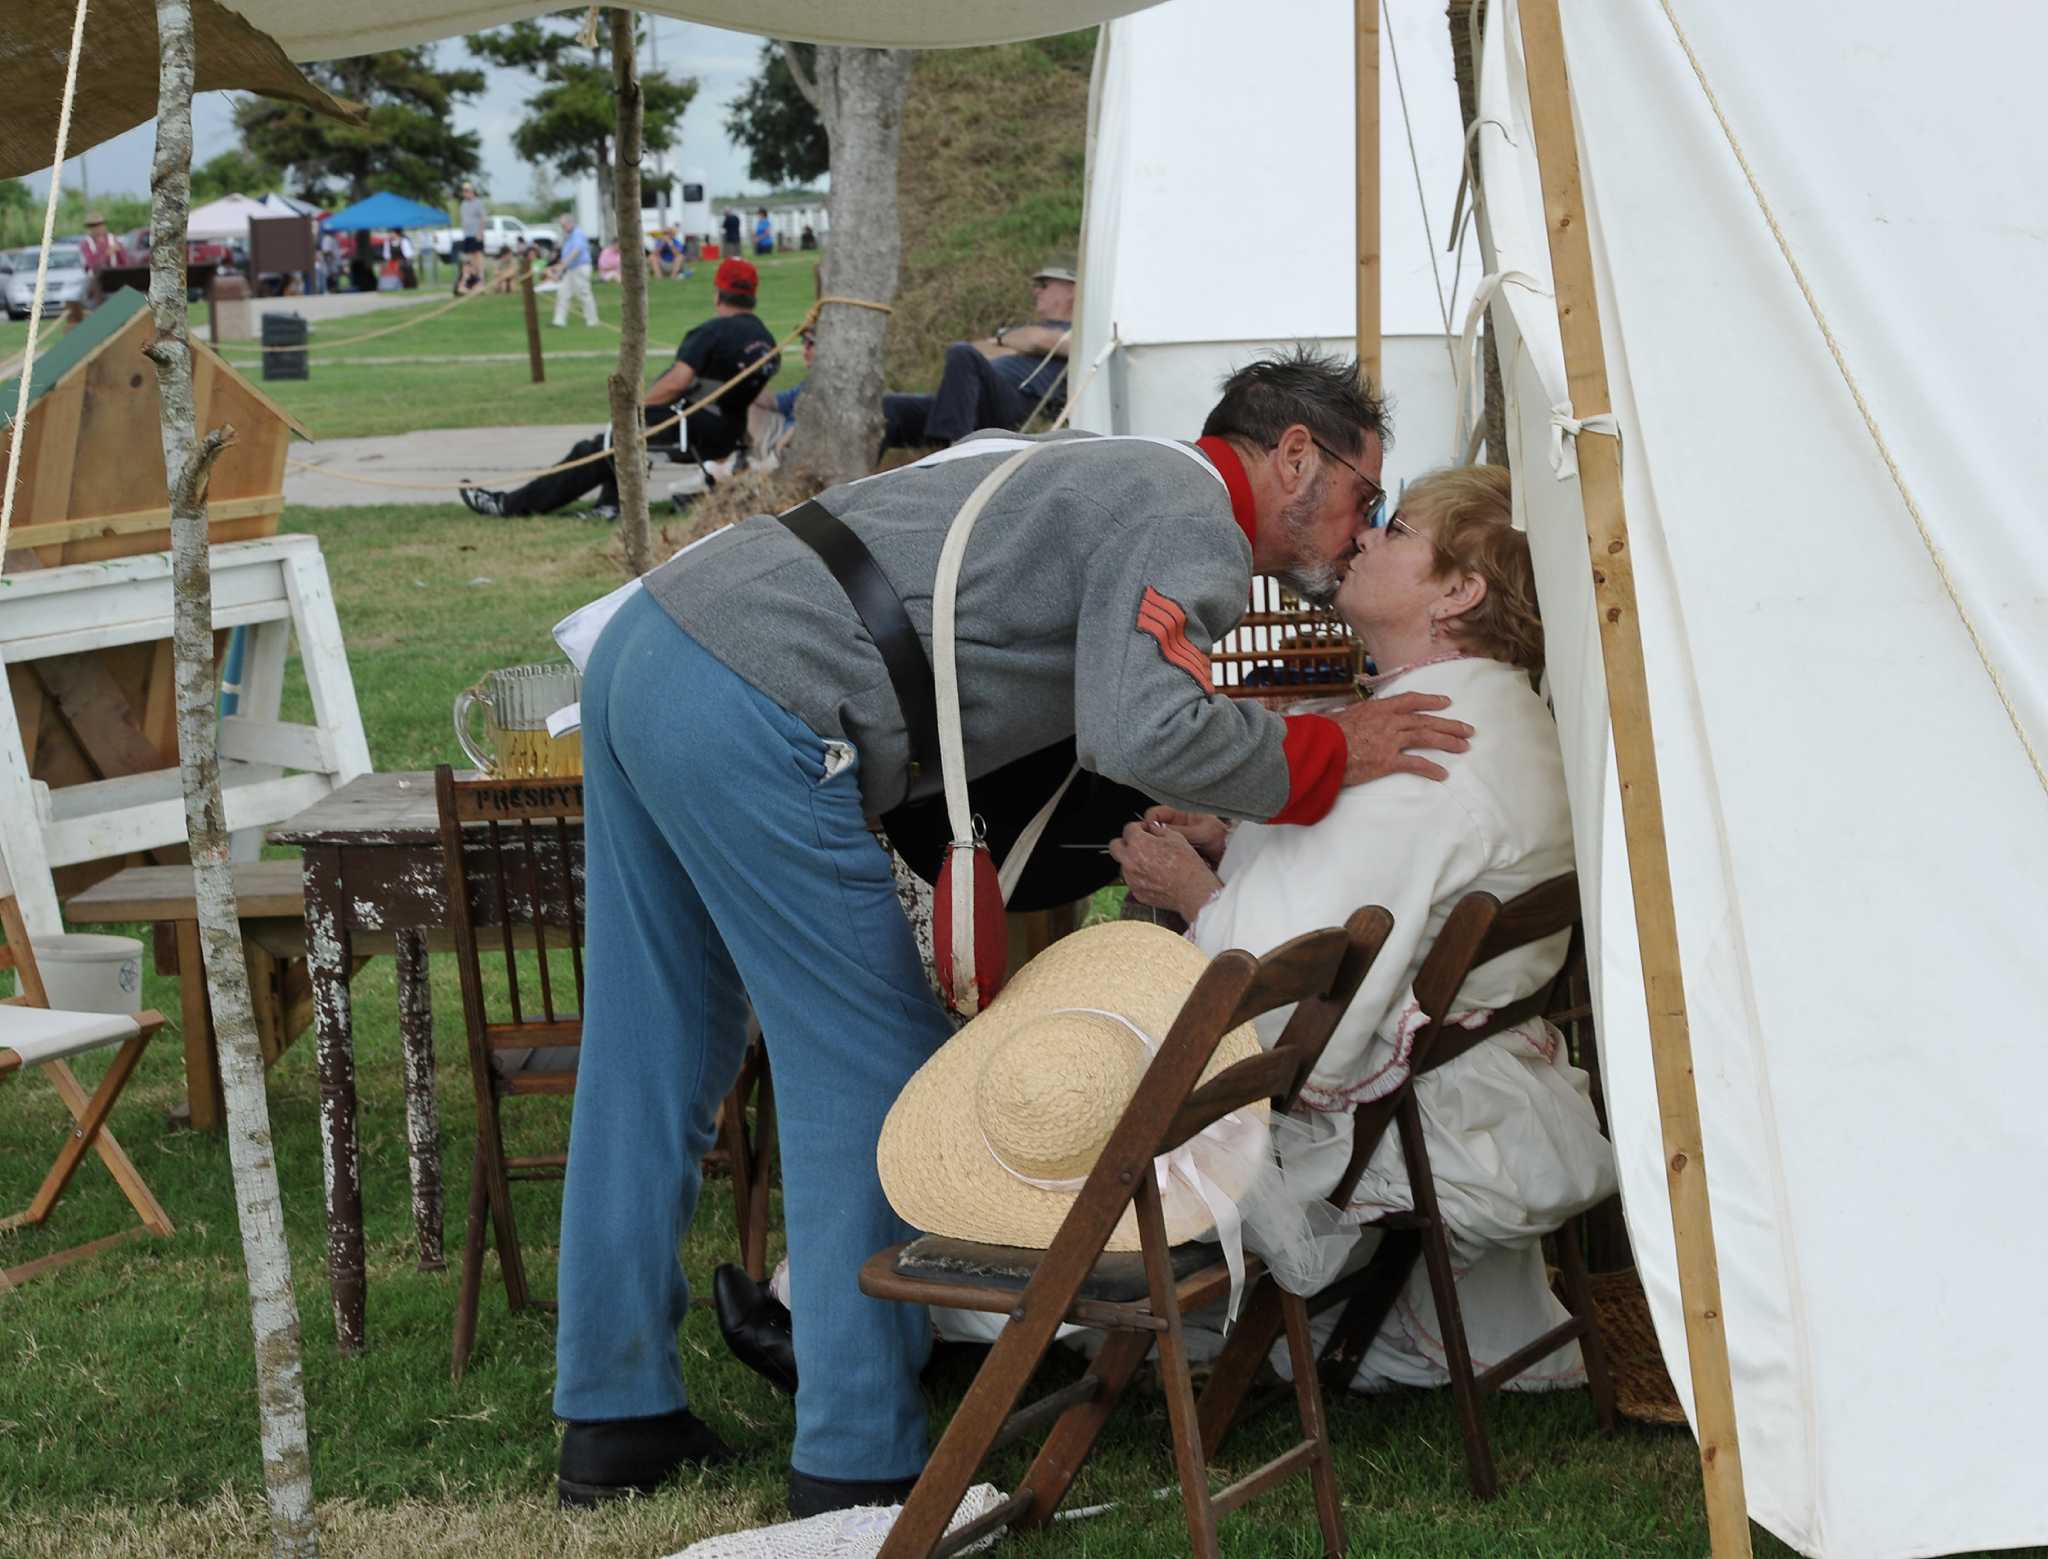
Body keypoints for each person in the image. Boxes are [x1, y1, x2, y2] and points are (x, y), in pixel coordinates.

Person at [545, 349, 1474, 1515]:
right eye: (1362, 496)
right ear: (1294, 455)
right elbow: (1143, 727)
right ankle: (859, 1455)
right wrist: (1332, 754)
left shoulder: (1122, 474)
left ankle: (614, 1413)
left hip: (657, 643)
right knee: (870, 1070)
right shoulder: (1188, 507)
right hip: (757, 690)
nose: (1359, 530)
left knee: (651, 1051)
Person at [1111, 464, 1617, 1391]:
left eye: (1399, 528)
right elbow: (1363, 885)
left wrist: (1187, 887)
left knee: (1070, 1075)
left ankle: (931, 1308)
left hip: (1392, 1126)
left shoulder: (1424, 750)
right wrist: (1236, 834)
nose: (1365, 537)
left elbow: (1271, 989)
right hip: (1466, 1089)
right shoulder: (1506, 714)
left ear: (1459, 590)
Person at [462, 256, 778, 521]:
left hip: (693, 429)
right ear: (754, 295)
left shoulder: (712, 332)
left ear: (718, 292)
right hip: (726, 432)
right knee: (620, 440)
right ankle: (609, 504)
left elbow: (678, 381)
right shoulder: (766, 340)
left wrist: (633, 408)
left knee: (599, 447)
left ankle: (509, 505)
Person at [881, 262, 1075, 450]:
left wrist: (1013, 342)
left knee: (962, 353)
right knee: (888, 407)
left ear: (1072, 290)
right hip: (967, 402)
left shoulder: (1082, 331)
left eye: (1044, 285)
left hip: (1019, 403)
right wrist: (1015, 343)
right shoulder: (1018, 331)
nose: (1036, 291)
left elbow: (1037, 340)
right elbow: (980, 350)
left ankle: (955, 447)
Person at [550, 213, 599, 327]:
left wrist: (562, 266)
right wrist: (560, 267)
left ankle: (592, 320)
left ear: (570, 223)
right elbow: (566, 253)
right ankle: (559, 321)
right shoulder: (568, 235)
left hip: (580, 267)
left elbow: (576, 251)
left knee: (584, 293)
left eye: (564, 225)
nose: (563, 227)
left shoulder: (577, 233)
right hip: (571, 269)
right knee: (563, 293)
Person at [458, 181, 487, 293]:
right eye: (464, 190)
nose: (465, 193)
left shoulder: (478, 203)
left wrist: (480, 233)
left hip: (476, 234)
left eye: (467, 190)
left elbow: (483, 218)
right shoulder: (463, 204)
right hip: (467, 235)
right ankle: (472, 280)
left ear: (472, 191)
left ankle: (481, 280)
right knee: (469, 259)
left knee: (478, 258)